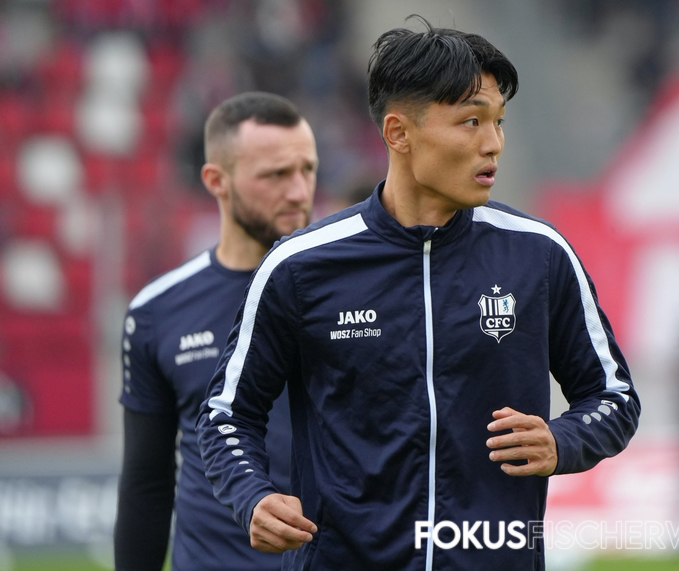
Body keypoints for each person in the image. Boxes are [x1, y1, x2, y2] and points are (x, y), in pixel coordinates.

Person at [197, 18, 640, 571]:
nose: (493, 144)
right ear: (399, 133)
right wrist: (253, 496)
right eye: (471, 121)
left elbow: (614, 396)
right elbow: (226, 413)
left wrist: (562, 440)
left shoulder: (540, 255)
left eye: (499, 122)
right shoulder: (299, 267)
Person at [114, 92, 318, 571]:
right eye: (275, 175)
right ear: (216, 181)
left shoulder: (350, 291)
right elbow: (147, 480)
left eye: (307, 169)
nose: (298, 191)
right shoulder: (157, 311)